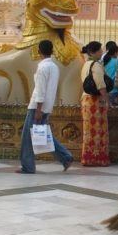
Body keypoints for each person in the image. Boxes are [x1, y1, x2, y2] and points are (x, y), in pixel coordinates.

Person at [19, 39, 73, 174]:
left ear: (39, 51)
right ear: (52, 51)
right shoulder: (54, 67)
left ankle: (28, 166)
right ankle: (65, 157)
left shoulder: (43, 67)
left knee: (27, 137)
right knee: (42, 136)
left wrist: (38, 109)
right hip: (47, 106)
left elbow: (40, 89)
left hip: (37, 106)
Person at [80, 41, 110, 166]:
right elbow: (101, 85)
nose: (102, 52)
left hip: (86, 99)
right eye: (100, 50)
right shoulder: (96, 65)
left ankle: (88, 157)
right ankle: (98, 158)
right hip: (96, 101)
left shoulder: (86, 64)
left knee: (88, 131)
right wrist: (106, 100)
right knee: (98, 131)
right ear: (94, 52)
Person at [102, 41, 118, 107]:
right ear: (115, 52)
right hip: (114, 89)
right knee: (114, 110)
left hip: (104, 89)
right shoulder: (117, 61)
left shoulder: (103, 61)